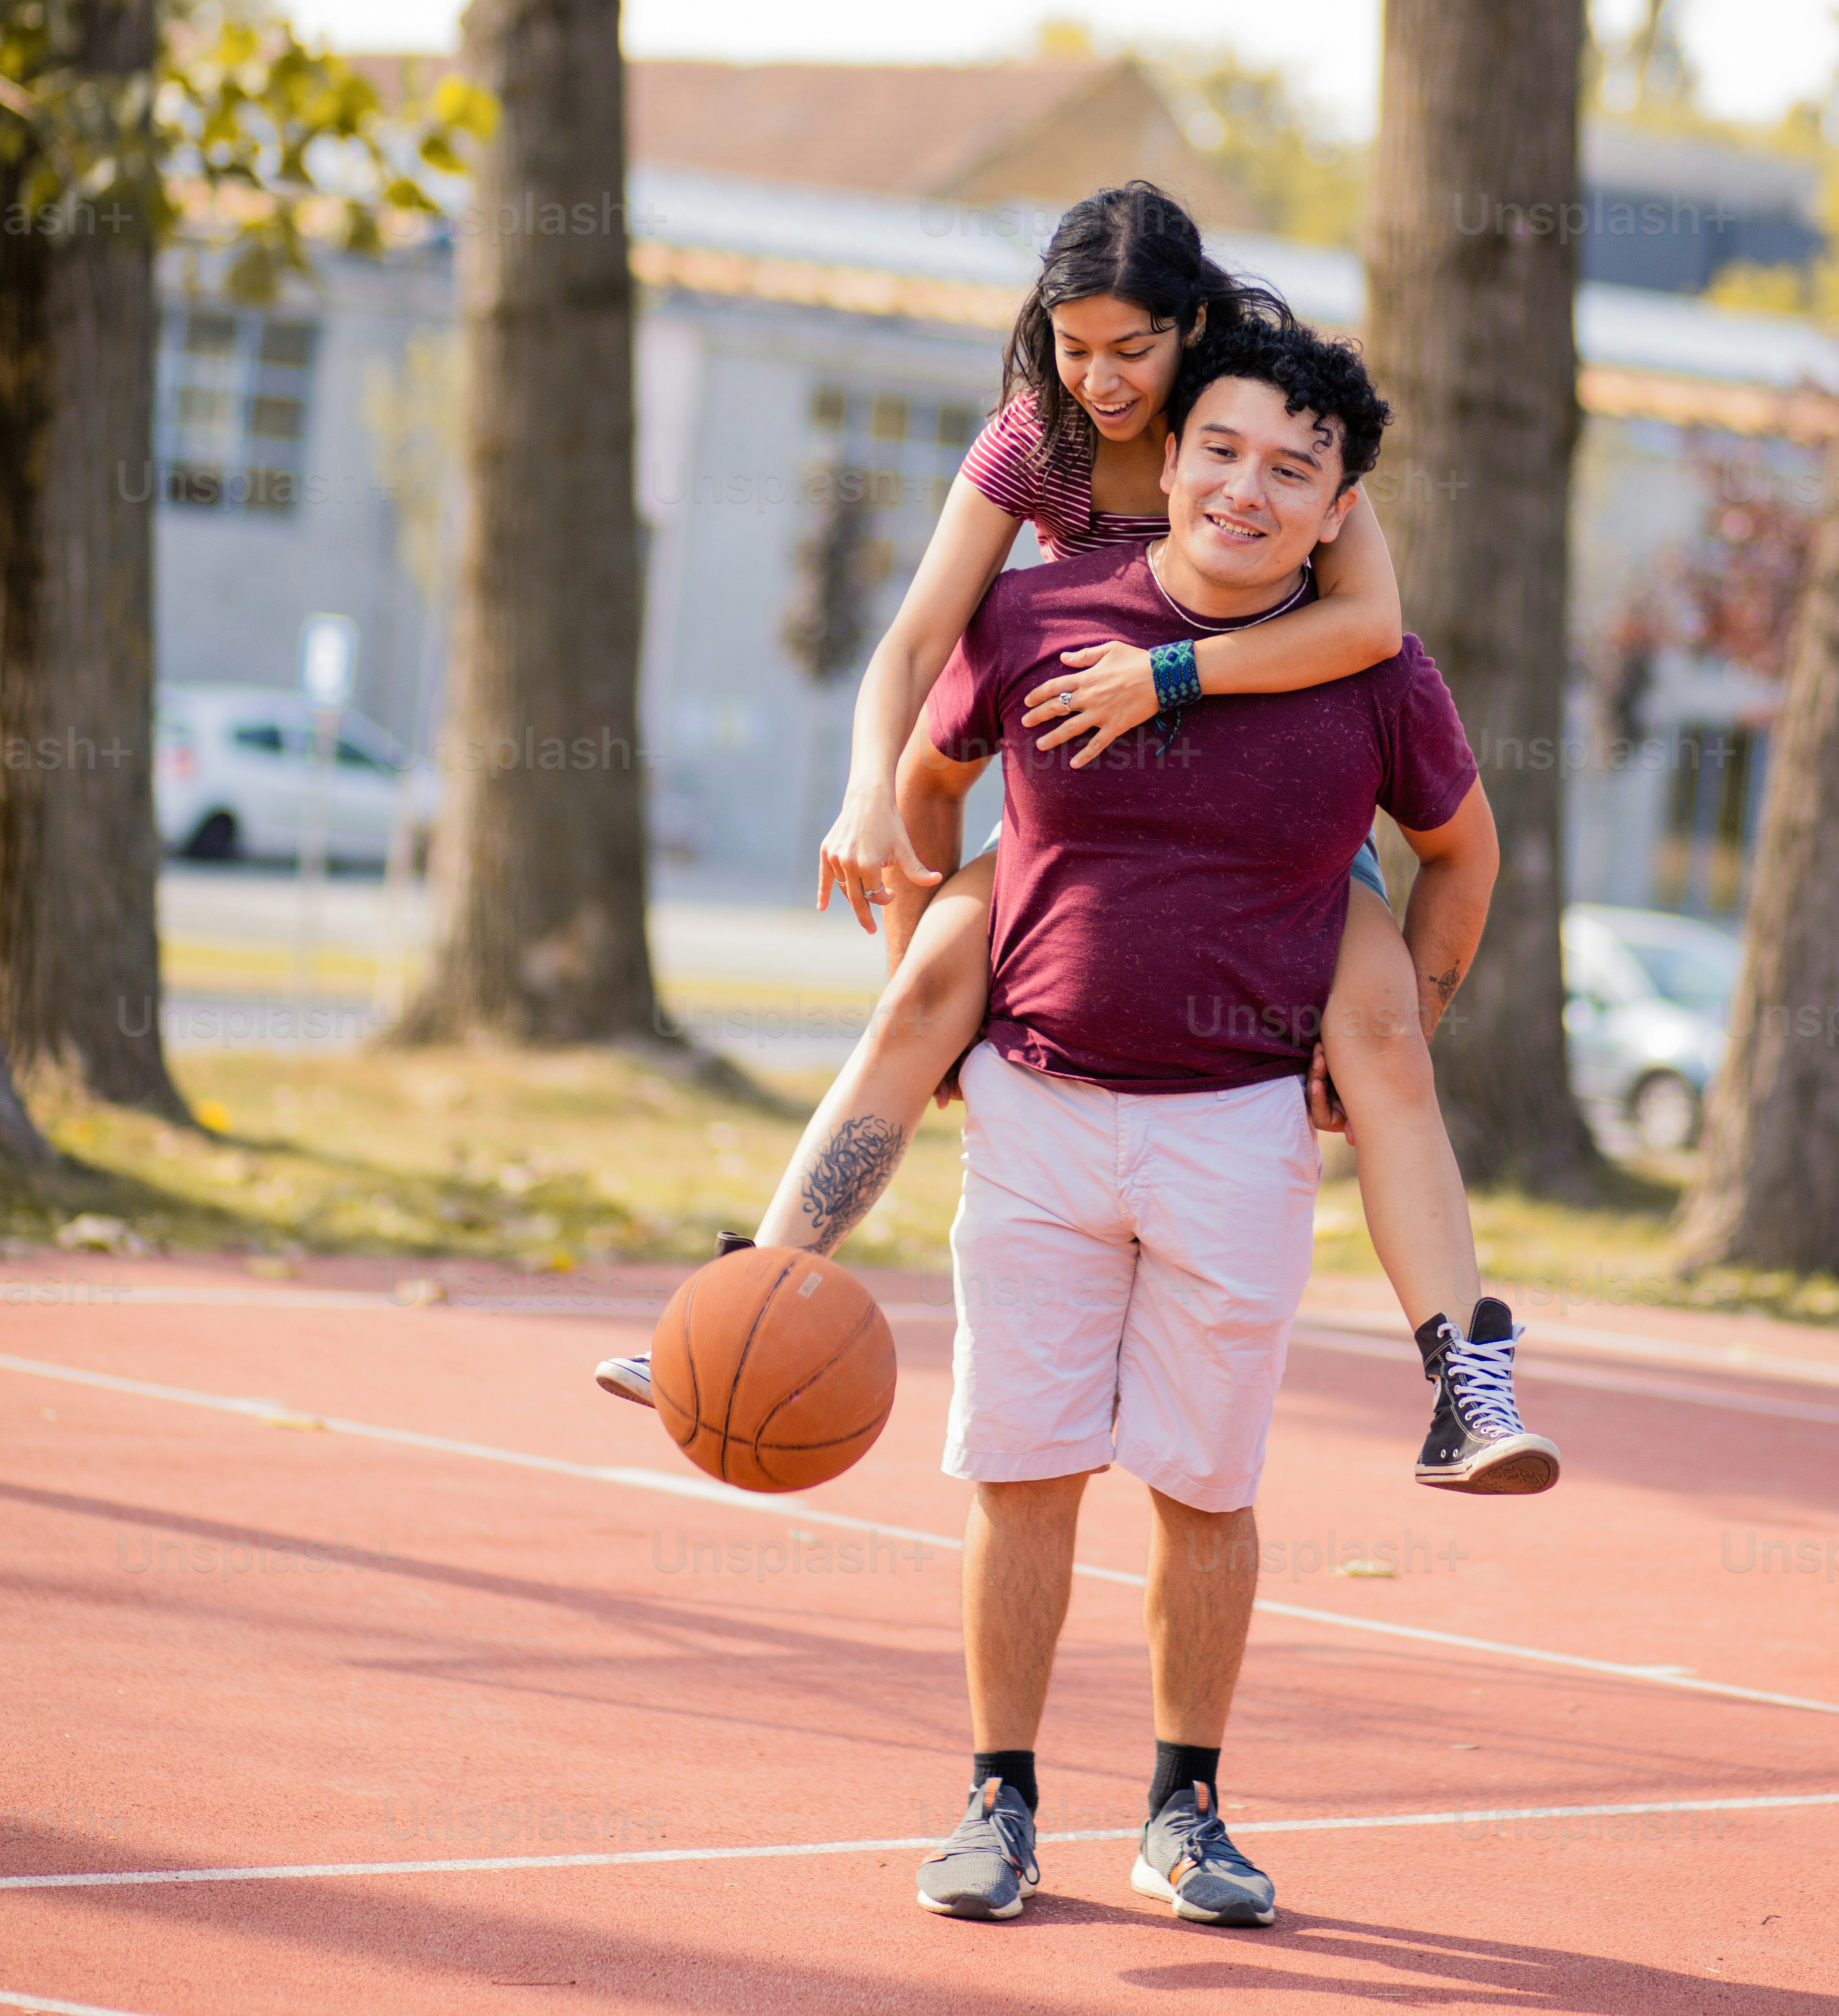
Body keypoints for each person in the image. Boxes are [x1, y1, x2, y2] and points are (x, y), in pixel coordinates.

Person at [766, 314, 1553, 1926]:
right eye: (1223, 451)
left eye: (1293, 469)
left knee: (1203, 1491)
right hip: (1040, 1112)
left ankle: (1186, 1809)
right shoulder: (1037, 608)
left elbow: (1463, 853)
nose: (1249, 490)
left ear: (1340, 506)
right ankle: (999, 1801)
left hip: (1236, 1129)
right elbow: (926, 774)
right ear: (1170, 453)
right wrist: (947, 932)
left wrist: (1405, 1015)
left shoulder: (1377, 673)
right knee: (1023, 1474)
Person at [598, 182, 1533, 1477]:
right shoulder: (1037, 438)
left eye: (1130, 348)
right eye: (1072, 342)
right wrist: (869, 786)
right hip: (1097, 816)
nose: (1099, 376)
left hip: (1274, 814)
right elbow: (919, 637)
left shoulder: (1264, 428)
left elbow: (1371, 628)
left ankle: (1469, 1380)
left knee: (1384, 1046)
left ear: (1190, 326)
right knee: (919, 991)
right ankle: (750, 1297)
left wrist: (1171, 677)